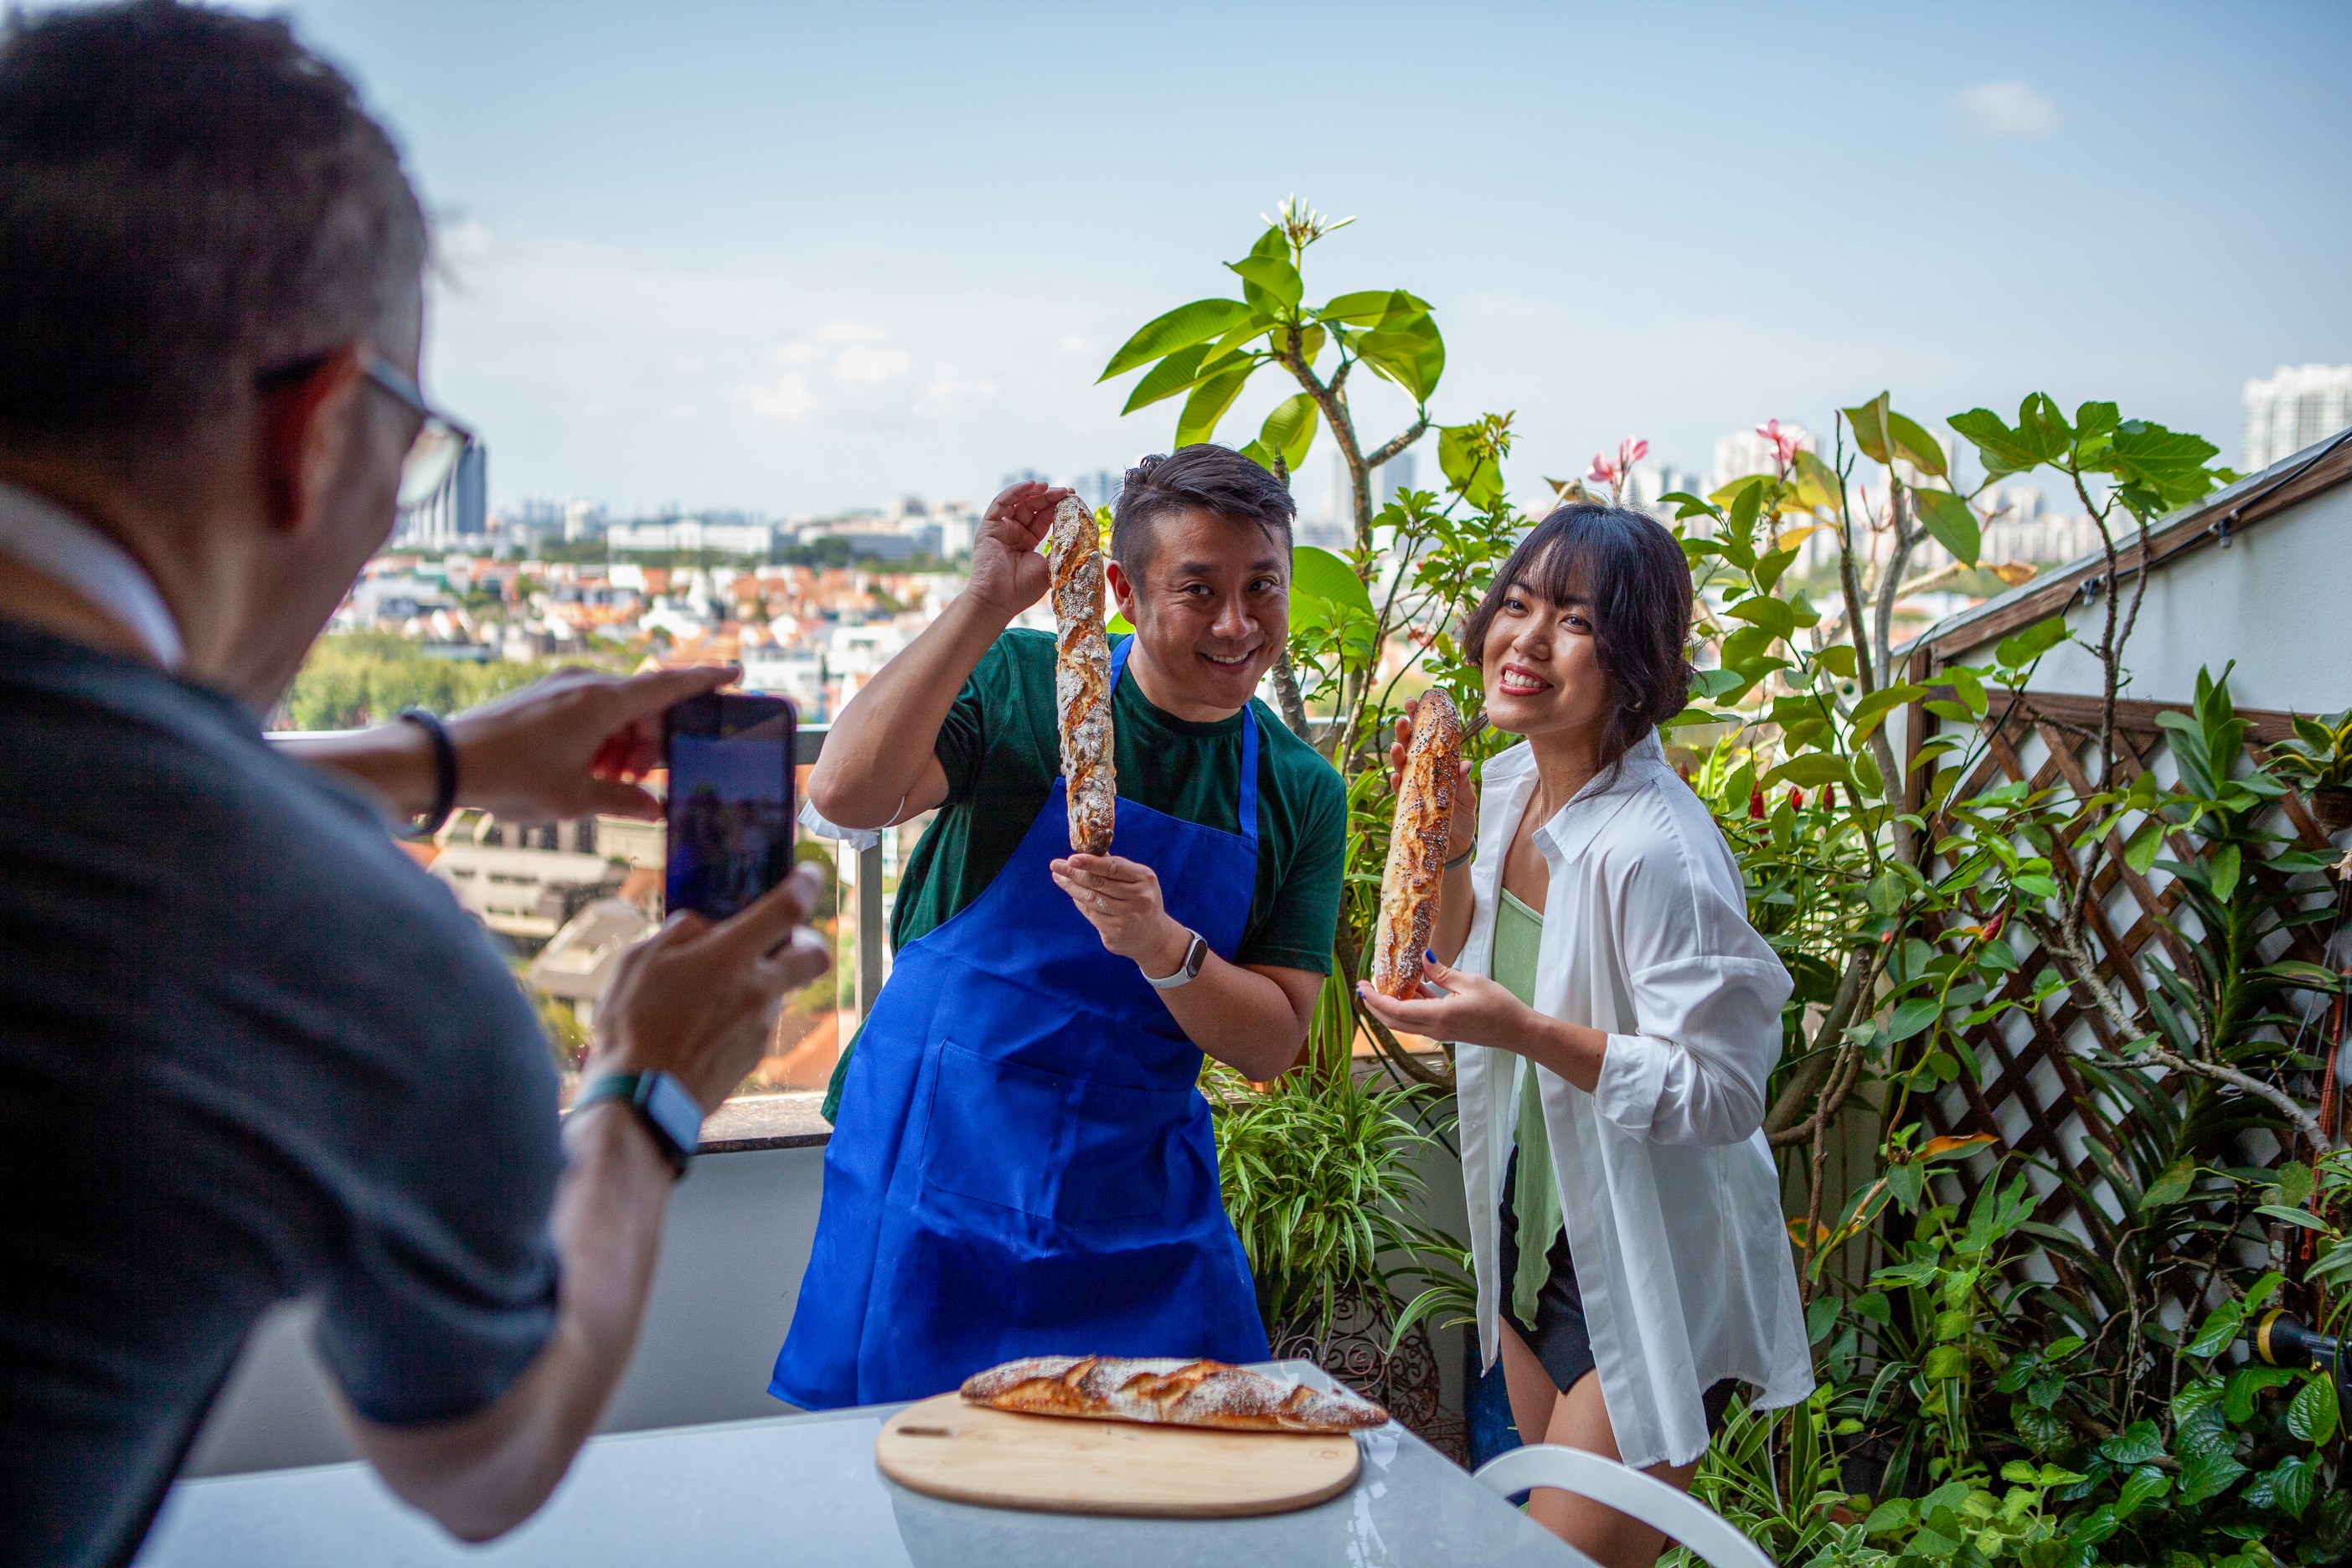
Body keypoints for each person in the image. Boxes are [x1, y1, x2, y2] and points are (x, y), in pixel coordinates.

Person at [0, 6, 829, 1564]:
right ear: (317, 432)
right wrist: (648, 1087)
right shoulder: (331, 952)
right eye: (411, 451)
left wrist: (440, 761)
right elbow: (481, 1460)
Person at [771, 448, 1348, 1410]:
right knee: (906, 1458)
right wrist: (984, 604)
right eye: (1198, 590)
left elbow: (1276, 1041)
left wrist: (1164, 947)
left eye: (1263, 587)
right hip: (934, 1164)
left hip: (1135, 1197)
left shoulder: (1301, 789)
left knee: (1178, 1467)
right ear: (1121, 589)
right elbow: (846, 793)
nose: (1237, 624)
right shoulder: (1021, 685)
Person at [1359, 503, 1813, 1568]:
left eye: (1575, 621)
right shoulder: (1512, 787)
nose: (1526, 639)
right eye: (1517, 605)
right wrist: (1450, 847)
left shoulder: (1658, 849)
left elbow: (1723, 1091)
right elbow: (1463, 950)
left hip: (1640, 1253)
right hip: (1530, 1228)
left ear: (1637, 662)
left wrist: (1524, 1032)